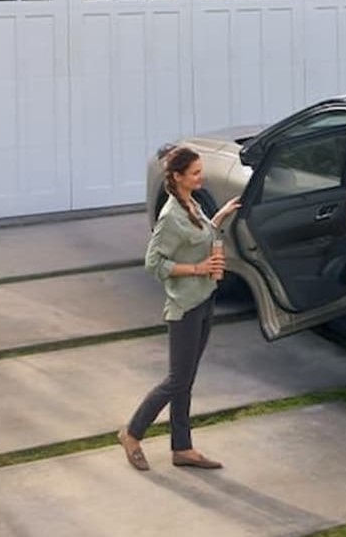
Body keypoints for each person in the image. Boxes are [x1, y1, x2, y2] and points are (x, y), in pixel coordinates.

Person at [118, 146, 240, 471]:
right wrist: (198, 269)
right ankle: (131, 433)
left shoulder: (191, 204)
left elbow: (199, 235)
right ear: (178, 177)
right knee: (176, 380)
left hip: (204, 300)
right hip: (185, 307)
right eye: (196, 173)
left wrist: (221, 215)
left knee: (186, 379)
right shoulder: (171, 216)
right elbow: (153, 262)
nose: (201, 177)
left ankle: (182, 448)